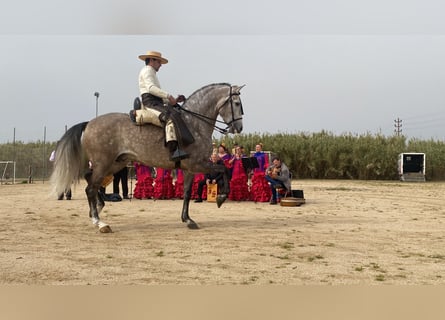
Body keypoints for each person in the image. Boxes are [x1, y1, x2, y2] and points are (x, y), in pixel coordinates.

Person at [129, 50, 188, 162]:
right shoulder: (147, 71)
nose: (160, 65)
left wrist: (173, 100)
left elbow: (157, 95)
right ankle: (173, 152)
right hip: (150, 103)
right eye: (159, 62)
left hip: (156, 102)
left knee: (175, 113)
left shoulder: (151, 72)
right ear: (152, 60)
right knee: (170, 119)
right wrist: (168, 96)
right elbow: (151, 88)